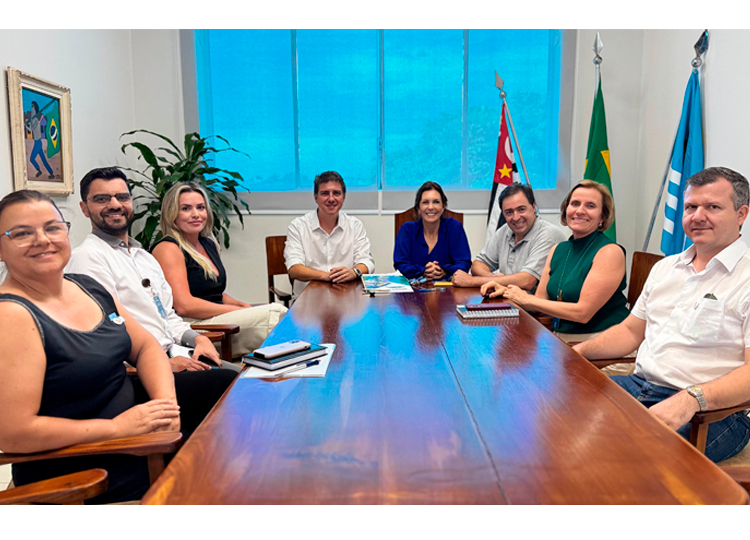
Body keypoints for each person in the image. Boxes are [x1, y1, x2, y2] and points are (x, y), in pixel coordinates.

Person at [0, 189, 181, 504]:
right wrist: (116, 428)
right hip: (92, 467)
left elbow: (146, 348)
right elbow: (14, 431)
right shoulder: (12, 316)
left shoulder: (86, 286)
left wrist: (166, 407)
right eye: (22, 233)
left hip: (143, 435)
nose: (43, 239)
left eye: (52, 227)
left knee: (235, 403)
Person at [573, 167, 750, 463]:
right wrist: (577, 353)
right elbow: (631, 332)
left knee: (626, 459)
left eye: (713, 207)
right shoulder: (665, 269)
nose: (697, 216)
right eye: (691, 207)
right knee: (556, 418)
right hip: (639, 386)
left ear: (741, 214)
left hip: (712, 412)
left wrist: (692, 398)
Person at [66, 167, 238, 372]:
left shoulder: (144, 257)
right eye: (101, 199)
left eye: (122, 197)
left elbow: (167, 314)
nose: (114, 204)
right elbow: (105, 329)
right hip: (143, 370)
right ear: (84, 208)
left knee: (248, 377)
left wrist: (198, 338)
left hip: (175, 352)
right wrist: (162, 365)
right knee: (237, 386)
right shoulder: (88, 256)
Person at [481, 180, 629, 340]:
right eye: (575, 203)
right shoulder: (558, 250)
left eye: (590, 206)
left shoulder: (609, 252)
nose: (580, 211)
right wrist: (507, 291)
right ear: (566, 210)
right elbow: (539, 303)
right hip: (560, 340)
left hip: (602, 345)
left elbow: (582, 313)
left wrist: (525, 298)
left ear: (603, 216)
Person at [151, 182, 286, 356]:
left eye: (200, 207)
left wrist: (242, 305)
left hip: (216, 318)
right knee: (276, 313)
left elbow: (214, 292)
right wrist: (237, 311)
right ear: (172, 214)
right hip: (193, 328)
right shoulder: (168, 248)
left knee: (273, 314)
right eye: (185, 209)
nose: (196, 214)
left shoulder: (208, 244)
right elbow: (184, 306)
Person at [452, 183, 566, 290]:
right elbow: (478, 265)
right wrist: (493, 278)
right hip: (509, 302)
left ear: (533, 207)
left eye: (521, 209)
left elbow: (527, 281)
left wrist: (472, 281)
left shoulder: (549, 234)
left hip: (535, 309)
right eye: (509, 212)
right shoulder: (505, 230)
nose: (516, 217)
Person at [284, 170, 375, 298]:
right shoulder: (298, 226)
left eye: (336, 193)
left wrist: (354, 272)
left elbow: (367, 262)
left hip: (347, 299)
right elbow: (294, 269)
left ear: (343, 197)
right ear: (315, 197)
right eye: (325, 193)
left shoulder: (355, 225)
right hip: (308, 302)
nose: (331, 199)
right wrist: (327, 276)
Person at [393, 181, 471, 280]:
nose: (430, 207)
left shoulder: (454, 227)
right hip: (413, 291)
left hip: (449, 291)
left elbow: (464, 263)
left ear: (443, 207)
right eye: (425, 202)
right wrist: (423, 270)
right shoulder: (407, 230)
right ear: (418, 209)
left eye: (436, 202)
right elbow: (400, 265)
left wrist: (443, 270)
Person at [27, 101, 55, 179]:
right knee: (43, 160)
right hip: (37, 142)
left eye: (32, 107)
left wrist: (27, 125)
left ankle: (39, 170)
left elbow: (31, 128)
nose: (31, 108)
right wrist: (26, 125)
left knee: (32, 159)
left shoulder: (35, 120)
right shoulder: (33, 120)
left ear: (35, 109)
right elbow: (30, 128)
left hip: (38, 143)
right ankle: (51, 173)